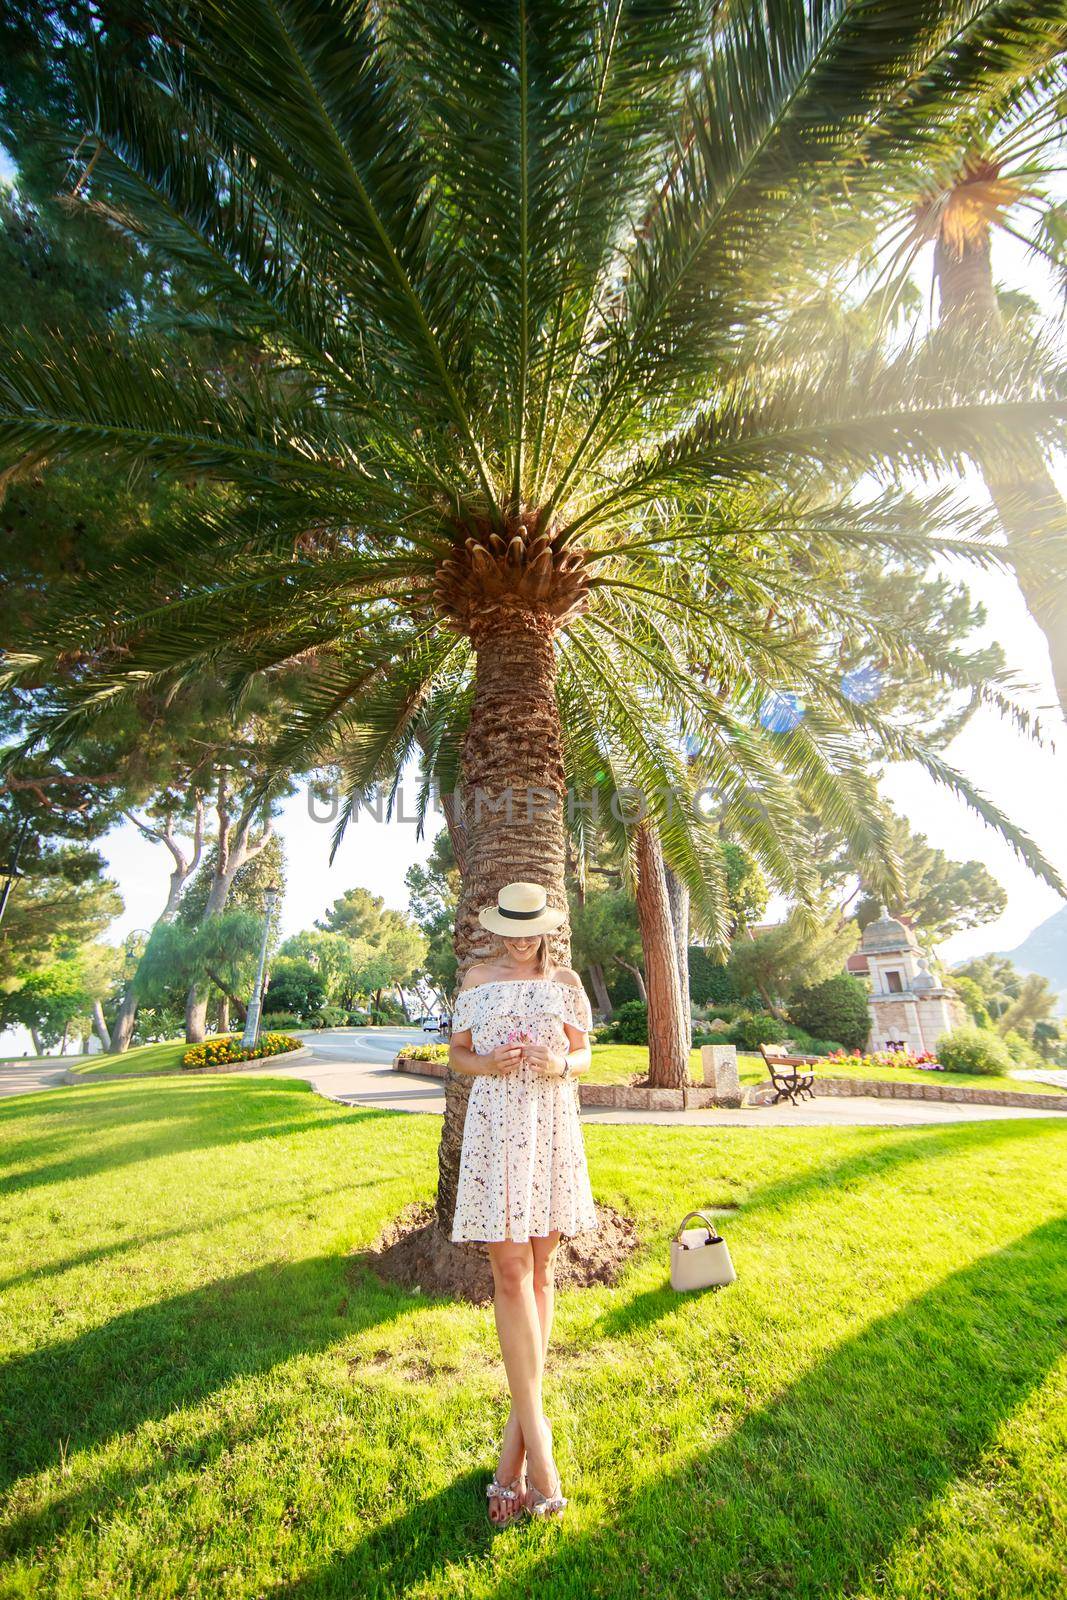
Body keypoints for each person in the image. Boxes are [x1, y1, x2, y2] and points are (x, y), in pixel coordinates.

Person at [448, 881, 598, 1526]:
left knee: (542, 1272)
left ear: (546, 926)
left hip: (548, 1125)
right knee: (509, 1273)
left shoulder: (565, 979)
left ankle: (513, 1462)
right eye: (510, 927)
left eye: (530, 926)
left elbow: (585, 1054)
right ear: (495, 927)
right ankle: (544, 1462)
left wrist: (556, 1062)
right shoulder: (475, 978)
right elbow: (456, 1058)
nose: (520, 938)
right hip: (492, 1134)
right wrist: (487, 1061)